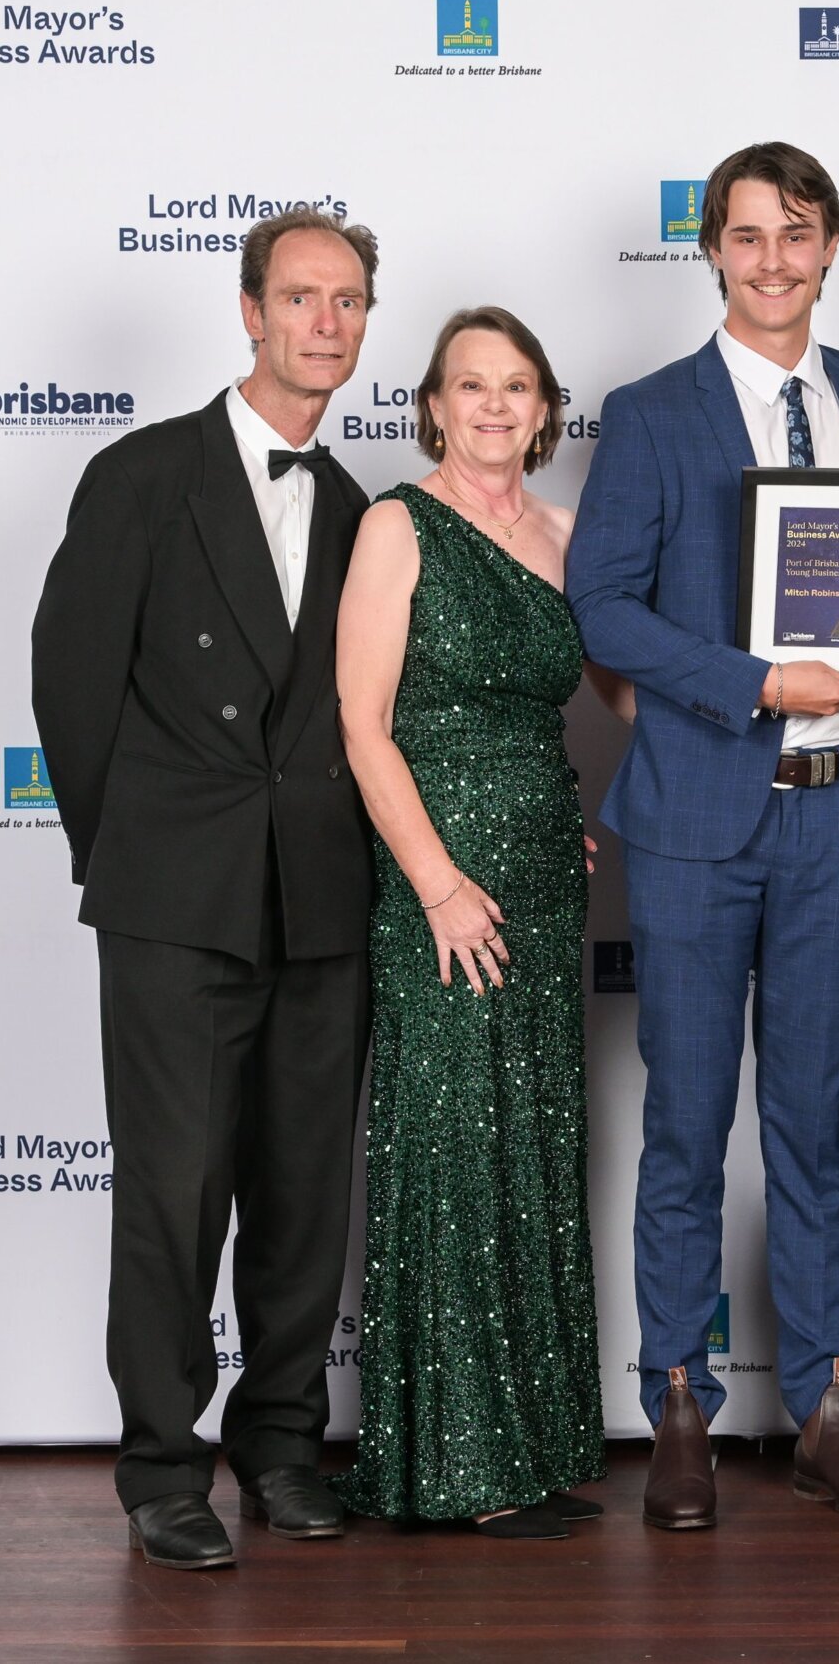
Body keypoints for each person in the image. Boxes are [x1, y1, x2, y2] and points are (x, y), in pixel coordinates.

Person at [566, 141, 839, 1530]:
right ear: (713, 254)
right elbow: (603, 606)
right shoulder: (649, 411)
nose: (773, 259)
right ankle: (678, 1402)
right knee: (685, 1123)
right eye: (747, 236)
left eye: (796, 234)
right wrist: (755, 681)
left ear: (831, 245)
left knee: (813, 1124)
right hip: (696, 813)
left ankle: (827, 1407)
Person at [30, 207, 382, 1570]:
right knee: (174, 1194)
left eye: (347, 301)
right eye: (300, 297)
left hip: (323, 898)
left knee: (302, 1194)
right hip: (176, 898)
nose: (324, 323)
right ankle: (162, 1466)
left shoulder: (359, 508)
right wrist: (135, 858)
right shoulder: (141, 475)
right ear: (250, 311)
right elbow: (72, 690)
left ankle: (281, 1445)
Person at [331, 308, 627, 1540]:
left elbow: (627, 691)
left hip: (546, 875)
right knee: (454, 1144)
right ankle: (457, 1462)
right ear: (434, 406)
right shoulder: (397, 525)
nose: (495, 405)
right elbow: (364, 724)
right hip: (440, 881)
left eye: (516, 385)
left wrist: (766, 686)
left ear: (544, 407)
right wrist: (439, 883)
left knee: (534, 1146)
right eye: (470, 385)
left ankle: (534, 1445)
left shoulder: (567, 535)